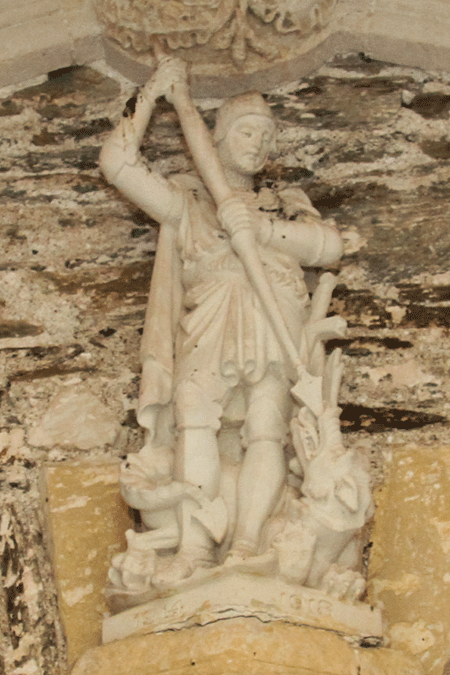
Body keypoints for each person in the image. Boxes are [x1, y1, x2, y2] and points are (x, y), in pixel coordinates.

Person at [100, 58, 343, 586]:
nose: (255, 144)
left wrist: (257, 227)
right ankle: (196, 548)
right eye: (245, 132)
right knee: (194, 422)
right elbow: (117, 163)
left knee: (265, 429)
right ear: (219, 136)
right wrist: (151, 97)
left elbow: (329, 246)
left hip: (273, 317)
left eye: (264, 135)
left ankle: (251, 540)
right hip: (208, 323)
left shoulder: (282, 205)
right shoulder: (188, 203)